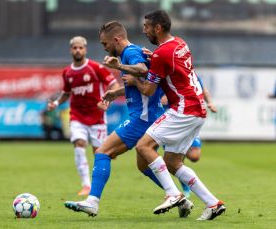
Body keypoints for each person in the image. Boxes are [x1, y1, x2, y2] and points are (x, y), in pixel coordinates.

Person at [64, 21, 193, 218]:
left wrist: (119, 66)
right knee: (143, 166)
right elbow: (145, 80)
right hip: (151, 117)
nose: (105, 48)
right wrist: (116, 92)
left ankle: (92, 202)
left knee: (103, 152)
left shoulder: (130, 53)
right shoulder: (132, 52)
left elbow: (141, 70)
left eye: (105, 44)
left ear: (116, 39)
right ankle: (179, 197)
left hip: (142, 118)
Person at [131, 9, 225, 220]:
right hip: (197, 108)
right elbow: (169, 63)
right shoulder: (180, 43)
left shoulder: (161, 54)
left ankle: (173, 193)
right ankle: (213, 203)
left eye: (146, 27)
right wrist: (153, 57)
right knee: (173, 162)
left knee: (143, 146)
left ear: (158, 27)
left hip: (184, 108)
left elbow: (147, 90)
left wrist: (132, 78)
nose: (144, 31)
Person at [48, 36, 120, 196]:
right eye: (75, 48)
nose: (78, 50)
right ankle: (86, 185)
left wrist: (108, 101)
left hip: (97, 117)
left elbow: (114, 84)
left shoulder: (95, 67)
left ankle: (97, 183)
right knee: (79, 144)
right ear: (71, 50)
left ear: (85, 50)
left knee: (100, 153)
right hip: (78, 116)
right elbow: (66, 94)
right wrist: (56, 103)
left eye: (81, 48)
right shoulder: (67, 72)